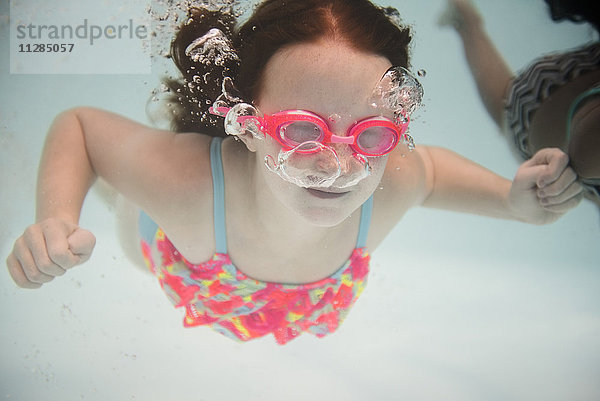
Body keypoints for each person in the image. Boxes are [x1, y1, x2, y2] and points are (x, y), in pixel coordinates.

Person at [6, 0, 582, 345]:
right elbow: (81, 127)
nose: (339, 165)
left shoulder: (393, 180)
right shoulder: (186, 187)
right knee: (125, 194)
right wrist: (56, 218)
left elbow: (428, 171)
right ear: (249, 122)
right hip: (170, 235)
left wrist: (516, 203)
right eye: (302, 129)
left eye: (371, 134)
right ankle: (124, 187)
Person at [439, 0, 600, 203]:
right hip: (549, 102)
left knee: (506, 108)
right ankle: (467, 21)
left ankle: (466, 21)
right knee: (507, 110)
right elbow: (585, 153)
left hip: (557, 95)